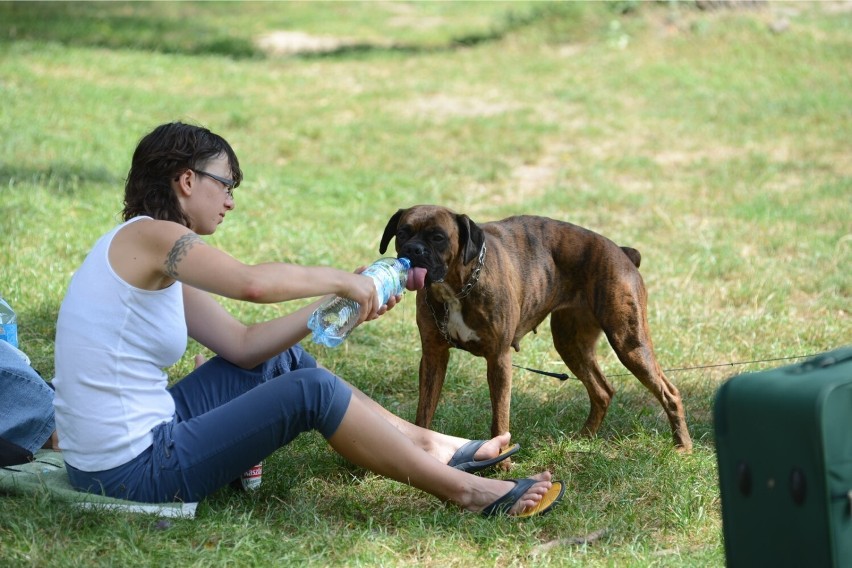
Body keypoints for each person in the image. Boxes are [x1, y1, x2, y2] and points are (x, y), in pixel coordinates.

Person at [51, 122, 563, 517]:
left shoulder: (144, 250)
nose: (230, 199)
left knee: (283, 361)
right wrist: (342, 280)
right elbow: (252, 285)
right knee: (309, 394)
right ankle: (467, 491)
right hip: (130, 471)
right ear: (186, 180)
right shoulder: (154, 238)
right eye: (225, 183)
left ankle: (431, 444)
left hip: (126, 448)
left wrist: (342, 308)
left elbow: (245, 345)